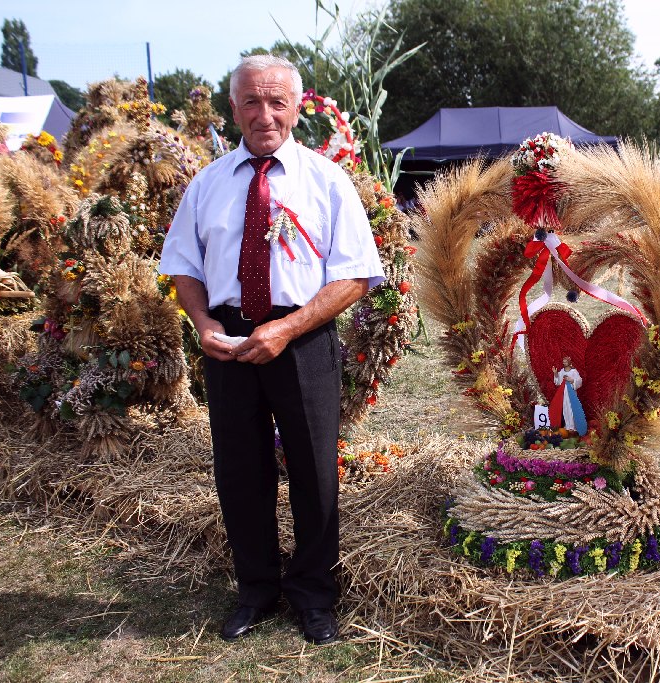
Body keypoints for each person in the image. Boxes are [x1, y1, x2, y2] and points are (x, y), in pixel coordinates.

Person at [158, 55, 384, 644]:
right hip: (228, 344)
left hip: (302, 338)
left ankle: (313, 595)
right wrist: (202, 322)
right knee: (240, 469)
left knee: (314, 470)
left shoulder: (326, 181)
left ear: (297, 108)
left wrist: (286, 329)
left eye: (277, 102)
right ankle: (255, 589)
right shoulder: (207, 185)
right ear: (234, 109)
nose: (265, 115)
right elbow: (183, 265)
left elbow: (355, 275)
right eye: (252, 102)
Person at [550, 356, 586, 435]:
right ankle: (567, 425)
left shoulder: (574, 371)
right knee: (565, 408)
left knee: (571, 408)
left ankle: (572, 427)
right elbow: (558, 382)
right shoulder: (562, 371)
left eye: (565, 362)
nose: (564, 363)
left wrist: (572, 380)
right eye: (563, 362)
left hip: (571, 393)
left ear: (569, 362)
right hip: (563, 392)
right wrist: (555, 373)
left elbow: (579, 381)